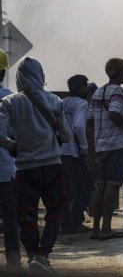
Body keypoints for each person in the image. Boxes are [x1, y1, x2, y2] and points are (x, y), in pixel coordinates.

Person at [0, 57, 72, 275]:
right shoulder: (54, 101)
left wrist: (14, 146)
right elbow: (67, 136)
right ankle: (42, 257)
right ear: (41, 76)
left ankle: (33, 257)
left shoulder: (9, 102)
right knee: (55, 213)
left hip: (24, 168)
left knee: (26, 216)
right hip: (52, 166)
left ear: (19, 78)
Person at [86, 57, 123, 241]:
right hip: (116, 146)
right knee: (112, 186)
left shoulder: (98, 92)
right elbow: (115, 112)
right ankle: (106, 228)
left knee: (100, 185)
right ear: (120, 73)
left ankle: (96, 229)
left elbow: (89, 122)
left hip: (100, 146)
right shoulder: (118, 91)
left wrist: (92, 148)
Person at [60, 74, 94, 234]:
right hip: (73, 151)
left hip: (60, 151)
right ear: (82, 87)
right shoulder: (82, 104)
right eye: (85, 85)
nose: (87, 88)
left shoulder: (63, 103)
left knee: (66, 189)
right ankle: (75, 221)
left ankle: (65, 222)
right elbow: (79, 126)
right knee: (85, 188)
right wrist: (84, 147)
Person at [0, 49, 20, 272]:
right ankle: (13, 263)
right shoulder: (9, 98)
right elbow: (15, 134)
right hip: (4, 168)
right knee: (10, 217)